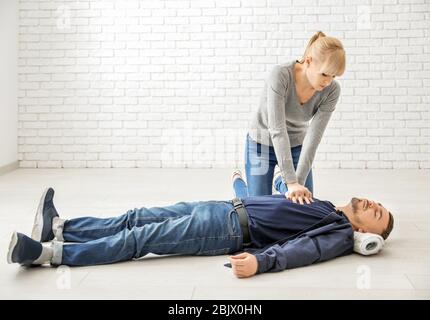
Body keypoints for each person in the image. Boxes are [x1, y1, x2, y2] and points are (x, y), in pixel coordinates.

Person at [7, 181, 394, 278]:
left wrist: (262, 263)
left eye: (379, 215)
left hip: (225, 230)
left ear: (368, 233)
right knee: (137, 216)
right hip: (224, 207)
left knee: (141, 239)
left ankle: (48, 255)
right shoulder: (326, 206)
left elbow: (305, 251)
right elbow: (275, 208)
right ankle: (59, 227)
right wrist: (243, 186)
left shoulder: (340, 232)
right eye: (379, 203)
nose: (375, 205)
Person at [246, 31, 345, 204]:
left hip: (296, 143)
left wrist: (296, 185)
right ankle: (239, 182)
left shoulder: (332, 91)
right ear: (308, 61)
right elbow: (277, 130)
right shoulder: (281, 75)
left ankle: (280, 179)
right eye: (324, 74)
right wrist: (291, 182)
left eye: (333, 76)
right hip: (262, 140)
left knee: (304, 206)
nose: (328, 82)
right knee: (257, 206)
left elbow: (314, 138)